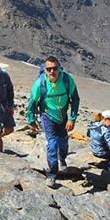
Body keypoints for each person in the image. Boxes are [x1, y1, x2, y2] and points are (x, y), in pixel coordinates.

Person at [25, 56, 80, 187]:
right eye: (48, 69)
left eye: (54, 69)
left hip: (63, 117)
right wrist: (31, 119)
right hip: (47, 116)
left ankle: (62, 159)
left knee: (63, 143)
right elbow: (32, 102)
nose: (52, 72)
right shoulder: (41, 83)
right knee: (52, 144)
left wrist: (72, 119)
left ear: (59, 68)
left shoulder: (67, 80)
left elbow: (75, 99)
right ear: (45, 70)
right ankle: (52, 175)